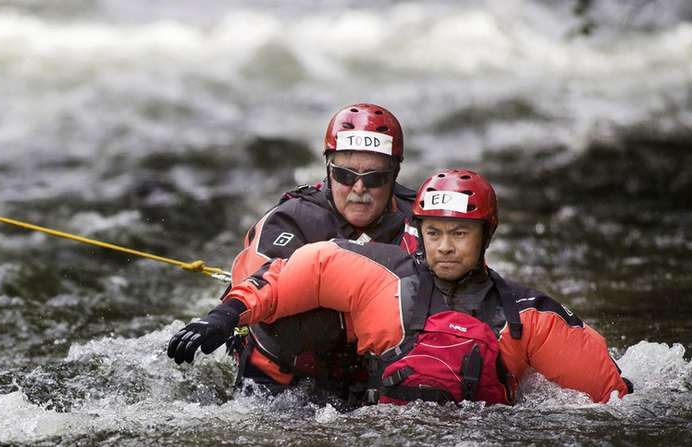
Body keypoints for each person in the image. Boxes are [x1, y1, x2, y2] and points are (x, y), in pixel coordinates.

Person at [171, 169, 631, 405]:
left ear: (487, 236)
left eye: (460, 234)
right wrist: (224, 317)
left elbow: (612, 398)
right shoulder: (375, 273)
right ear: (419, 231)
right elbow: (286, 276)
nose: (445, 248)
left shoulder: (529, 316)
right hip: (378, 444)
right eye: (434, 233)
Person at [229, 103, 418, 392]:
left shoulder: (423, 222)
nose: (358, 189)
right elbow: (260, 299)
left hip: (375, 369)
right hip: (288, 372)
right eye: (345, 175)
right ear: (328, 170)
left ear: (394, 176)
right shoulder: (289, 219)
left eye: (374, 178)